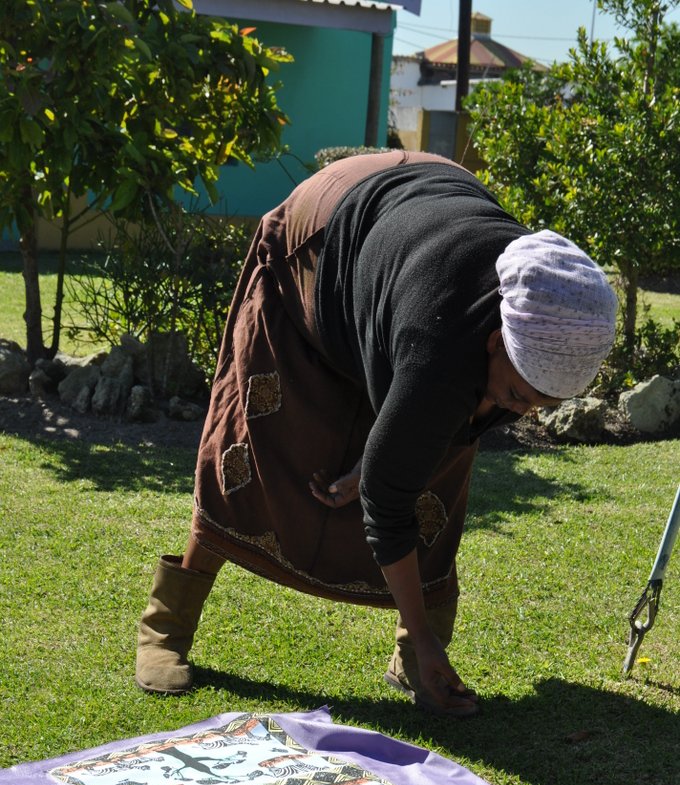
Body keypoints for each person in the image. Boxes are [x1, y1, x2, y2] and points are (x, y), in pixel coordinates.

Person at [135, 151, 617, 716]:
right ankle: (166, 626)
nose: (520, 412)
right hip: (321, 234)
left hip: (414, 228)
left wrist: (377, 460)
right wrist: (381, 473)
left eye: (542, 404)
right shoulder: (439, 342)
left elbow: (423, 442)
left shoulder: (516, 328)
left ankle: (414, 657)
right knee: (255, 442)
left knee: (439, 479)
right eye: (517, 394)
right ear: (495, 340)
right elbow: (387, 504)